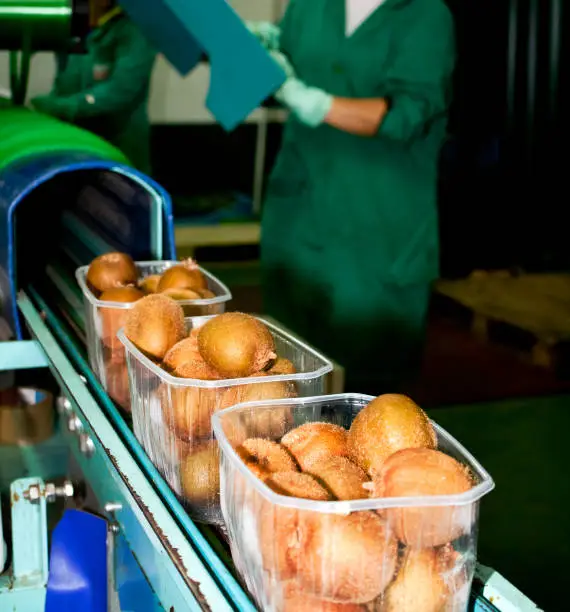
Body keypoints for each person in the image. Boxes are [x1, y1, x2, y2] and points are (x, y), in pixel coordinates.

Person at [250, 0, 456, 394]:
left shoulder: (424, 15)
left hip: (375, 227)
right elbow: (273, 84)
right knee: (284, 370)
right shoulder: (310, 8)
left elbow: (407, 114)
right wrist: (251, 54)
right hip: (298, 219)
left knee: (368, 386)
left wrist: (314, 102)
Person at [31, 1, 156, 174]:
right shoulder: (72, 22)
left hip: (119, 142)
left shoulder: (133, 29)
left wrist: (67, 106)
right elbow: (63, 75)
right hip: (75, 140)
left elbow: (122, 89)